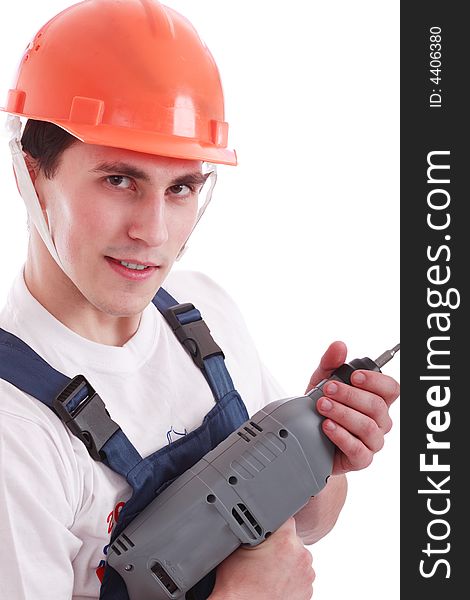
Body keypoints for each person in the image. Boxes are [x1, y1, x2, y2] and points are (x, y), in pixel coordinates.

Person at [0, 1, 400, 599]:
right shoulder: (15, 431)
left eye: (182, 186)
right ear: (32, 173)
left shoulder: (199, 310)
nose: (154, 232)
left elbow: (312, 524)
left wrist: (315, 450)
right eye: (119, 180)